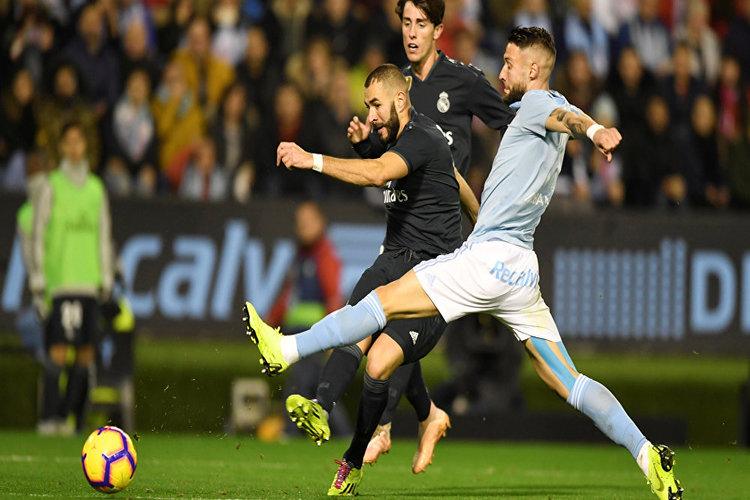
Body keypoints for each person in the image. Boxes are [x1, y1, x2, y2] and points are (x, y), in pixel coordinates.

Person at [244, 27, 683, 500]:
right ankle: (647, 455)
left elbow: (563, 116)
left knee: (382, 302)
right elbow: (566, 116)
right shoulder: (537, 110)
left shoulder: (537, 105)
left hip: (487, 259)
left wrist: (595, 130)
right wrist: (588, 127)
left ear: (533, 70)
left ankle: (285, 349)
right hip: (521, 272)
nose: (503, 70)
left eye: (511, 62)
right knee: (570, 382)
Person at [287, 0, 515, 472]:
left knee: (385, 326)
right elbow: (385, 158)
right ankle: (423, 416)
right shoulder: (396, 88)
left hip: (441, 235)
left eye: (420, 24)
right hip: (402, 228)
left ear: (438, 29)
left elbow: (511, 126)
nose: (411, 33)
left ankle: (382, 423)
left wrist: (497, 207)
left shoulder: (466, 81)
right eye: (405, 23)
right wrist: (363, 143)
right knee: (380, 322)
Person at [251, 62, 479, 495]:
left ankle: (356, 455)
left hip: (433, 280)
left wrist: (310, 159)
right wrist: (362, 149)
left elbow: (380, 175)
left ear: (399, 100)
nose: (370, 115)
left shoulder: (424, 138)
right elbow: (449, 182)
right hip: (394, 261)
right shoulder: (402, 141)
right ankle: (321, 405)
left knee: (378, 364)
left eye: (375, 105)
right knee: (355, 325)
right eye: (366, 106)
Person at [30, 120, 115, 435]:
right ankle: (48, 419)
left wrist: (105, 276)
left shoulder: (96, 188)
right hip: (62, 281)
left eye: (80, 141)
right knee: (59, 351)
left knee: (86, 353)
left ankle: (71, 420)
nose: (75, 147)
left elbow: (104, 234)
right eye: (70, 142)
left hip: (88, 282)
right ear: (63, 147)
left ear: (85, 146)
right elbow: (38, 233)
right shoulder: (51, 185)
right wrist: (39, 280)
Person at [268, 201, 351, 438]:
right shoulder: (301, 256)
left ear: (321, 223)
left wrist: (331, 337)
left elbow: (334, 297)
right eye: (299, 222)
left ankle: (289, 433)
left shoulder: (325, 256)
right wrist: (269, 323)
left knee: (300, 383)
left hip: (313, 333)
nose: (302, 227)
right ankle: (344, 436)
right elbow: (288, 296)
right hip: (298, 332)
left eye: (308, 221)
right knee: (315, 387)